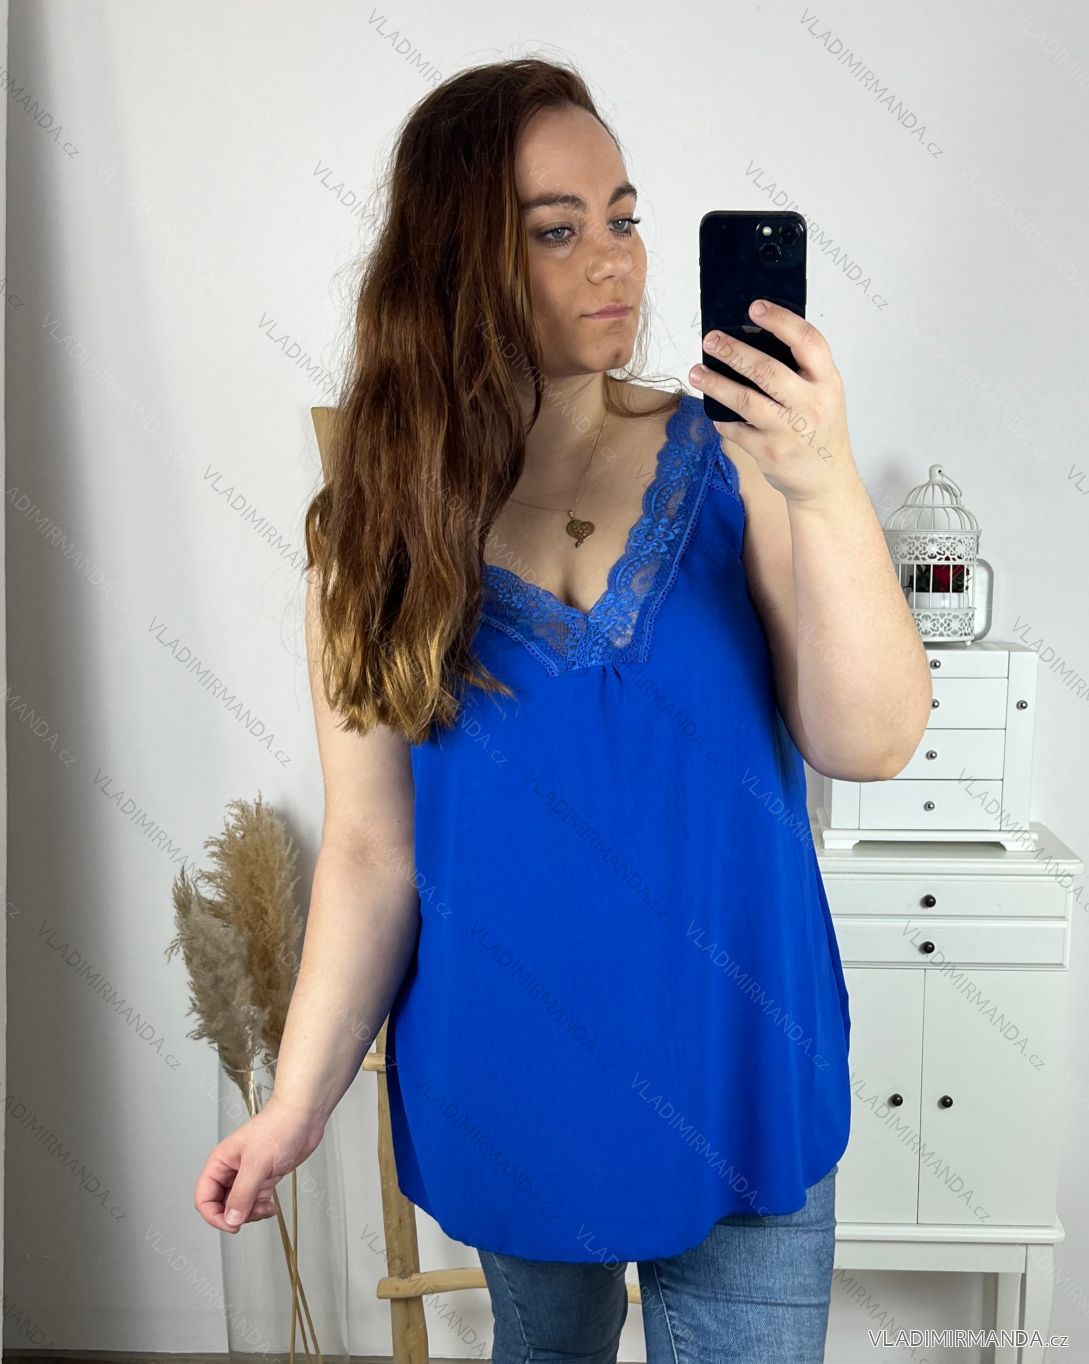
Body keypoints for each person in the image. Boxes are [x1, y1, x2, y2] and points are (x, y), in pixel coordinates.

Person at [194, 56, 932, 1363]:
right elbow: (371, 852)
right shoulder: (370, 529)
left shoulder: (742, 461)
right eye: (556, 229)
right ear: (456, 260)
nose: (616, 261)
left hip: (741, 1070)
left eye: (624, 217)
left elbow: (867, 740)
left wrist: (821, 483)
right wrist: (296, 1106)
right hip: (511, 1082)